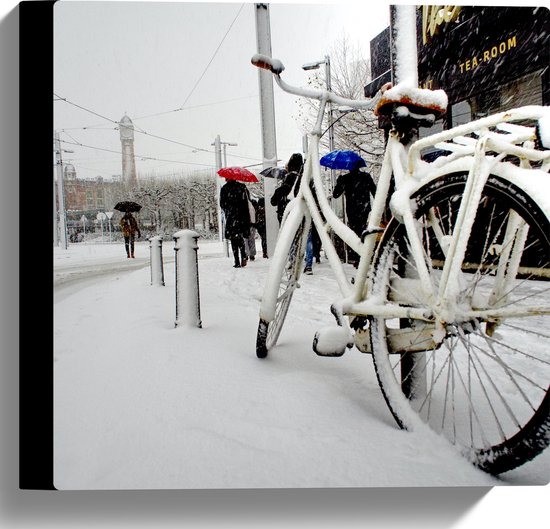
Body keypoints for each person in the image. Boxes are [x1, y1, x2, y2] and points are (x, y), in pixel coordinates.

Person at [331, 160, 377, 267]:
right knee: (362, 231)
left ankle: (358, 257)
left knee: (354, 233)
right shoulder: (366, 177)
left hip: (352, 210)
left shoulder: (345, 179)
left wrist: (339, 182)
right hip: (364, 209)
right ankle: (363, 256)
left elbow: (335, 194)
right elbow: (375, 192)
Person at [220, 178, 251, 268]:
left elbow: (222, 204)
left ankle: (237, 261)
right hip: (242, 216)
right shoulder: (242, 187)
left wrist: (228, 208)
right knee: (240, 237)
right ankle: (243, 255)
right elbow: (246, 201)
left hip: (231, 216)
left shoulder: (225, 189)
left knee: (233, 238)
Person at [270, 153, 303, 225]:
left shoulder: (290, 177)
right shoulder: (304, 178)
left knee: (287, 234)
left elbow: (273, 201)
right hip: (300, 213)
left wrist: (278, 191)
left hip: (287, 212)